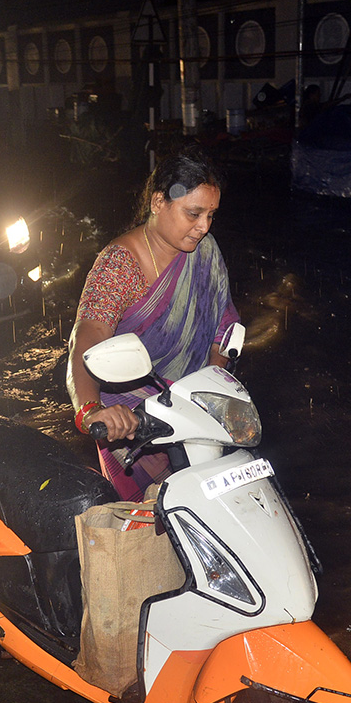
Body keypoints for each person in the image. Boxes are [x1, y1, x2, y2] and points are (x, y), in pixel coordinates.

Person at [67, 146, 240, 501]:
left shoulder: (205, 252)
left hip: (196, 417)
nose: (203, 227)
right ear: (159, 202)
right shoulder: (120, 265)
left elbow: (223, 326)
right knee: (149, 530)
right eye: (193, 213)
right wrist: (91, 410)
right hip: (132, 423)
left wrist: (208, 393)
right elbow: (85, 343)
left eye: (211, 215)